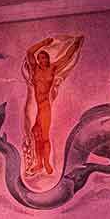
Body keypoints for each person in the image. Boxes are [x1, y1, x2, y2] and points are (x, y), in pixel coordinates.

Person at [21, 34, 84, 179]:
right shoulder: (34, 69)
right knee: (35, 135)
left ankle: (46, 162)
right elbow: (29, 52)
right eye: (40, 58)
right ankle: (38, 163)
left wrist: (75, 45)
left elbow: (66, 57)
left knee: (44, 136)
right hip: (34, 107)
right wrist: (44, 42)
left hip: (45, 107)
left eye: (44, 58)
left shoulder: (53, 68)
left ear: (48, 59)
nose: (42, 60)